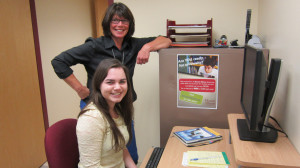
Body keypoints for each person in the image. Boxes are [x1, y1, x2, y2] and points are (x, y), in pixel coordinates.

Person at [51, 2, 171, 163]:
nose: (120, 25)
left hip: (122, 106)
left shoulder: (132, 44)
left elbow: (166, 40)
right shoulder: (94, 46)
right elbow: (58, 61)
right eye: (115, 20)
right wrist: (79, 88)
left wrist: (147, 47)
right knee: (101, 154)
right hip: (97, 105)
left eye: (124, 21)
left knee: (129, 154)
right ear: (108, 23)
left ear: (130, 24)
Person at [76, 59, 136, 168]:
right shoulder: (92, 118)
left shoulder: (117, 108)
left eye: (122, 81)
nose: (118, 87)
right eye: (110, 82)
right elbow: (90, 166)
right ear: (99, 84)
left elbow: (121, 147)